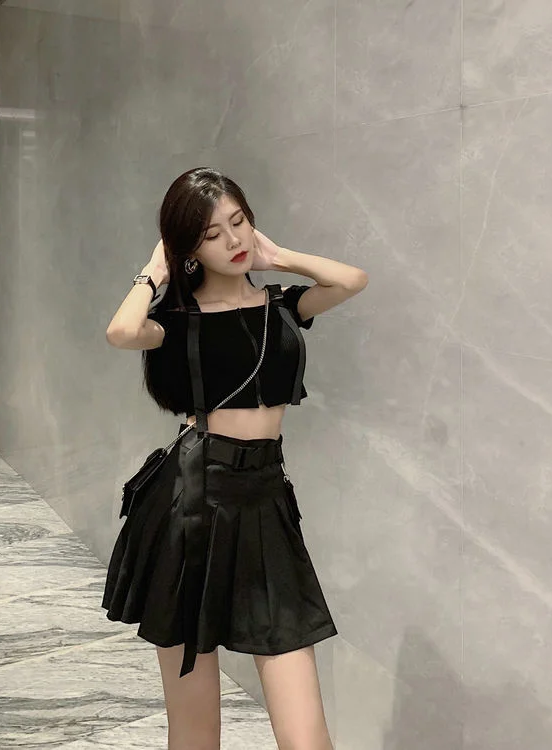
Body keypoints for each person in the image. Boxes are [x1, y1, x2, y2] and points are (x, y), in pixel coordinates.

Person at [102, 167, 368, 750]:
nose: (233, 240)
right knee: (196, 730)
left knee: (306, 735)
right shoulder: (176, 322)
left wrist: (280, 257)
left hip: (264, 498)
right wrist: (154, 270)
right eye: (211, 234)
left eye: (239, 222)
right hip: (189, 504)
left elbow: (352, 280)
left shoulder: (283, 307)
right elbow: (121, 332)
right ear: (188, 249)